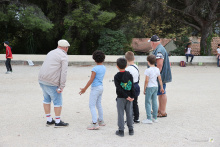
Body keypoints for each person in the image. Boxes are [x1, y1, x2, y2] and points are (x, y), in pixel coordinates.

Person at [38, 39, 70, 127]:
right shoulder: (63, 56)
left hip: (41, 79)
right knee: (57, 102)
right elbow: (64, 72)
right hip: (52, 81)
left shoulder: (51, 52)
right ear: (66, 48)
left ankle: (49, 120)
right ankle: (58, 121)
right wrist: (62, 86)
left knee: (46, 99)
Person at [79, 50, 106, 130]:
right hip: (101, 87)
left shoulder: (95, 68)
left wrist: (84, 89)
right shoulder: (104, 67)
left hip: (95, 88)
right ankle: (101, 120)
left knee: (91, 105)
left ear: (94, 59)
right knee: (99, 104)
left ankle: (94, 123)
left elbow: (91, 79)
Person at [148, 35, 172, 117]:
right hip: (161, 75)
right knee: (161, 93)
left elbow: (159, 65)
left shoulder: (159, 50)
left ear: (152, 42)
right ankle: (160, 110)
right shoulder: (160, 48)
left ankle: (162, 111)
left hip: (160, 76)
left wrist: (154, 76)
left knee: (162, 92)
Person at [114, 58, 135, 137]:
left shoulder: (116, 76)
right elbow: (132, 86)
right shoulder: (130, 75)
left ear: (117, 66)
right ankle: (131, 129)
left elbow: (118, 89)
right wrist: (132, 96)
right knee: (129, 113)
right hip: (130, 97)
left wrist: (126, 96)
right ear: (126, 65)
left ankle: (121, 130)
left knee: (120, 114)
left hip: (121, 97)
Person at [142, 55, 164, 124]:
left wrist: (144, 88)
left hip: (149, 87)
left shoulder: (148, 70)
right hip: (156, 86)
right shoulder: (157, 69)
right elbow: (160, 79)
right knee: (154, 101)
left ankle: (149, 118)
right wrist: (162, 87)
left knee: (147, 102)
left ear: (148, 62)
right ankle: (154, 117)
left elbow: (146, 80)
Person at [125, 51, 140, 123]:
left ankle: (130, 118)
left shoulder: (127, 69)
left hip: (130, 87)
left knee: (129, 103)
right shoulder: (136, 66)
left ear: (126, 59)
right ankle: (136, 118)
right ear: (134, 58)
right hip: (136, 85)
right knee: (135, 102)